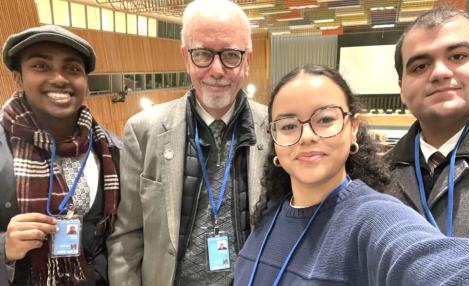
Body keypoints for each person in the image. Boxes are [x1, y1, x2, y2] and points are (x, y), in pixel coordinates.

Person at [233, 64, 469, 285]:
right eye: (289, 125)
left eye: (325, 119)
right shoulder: (271, 214)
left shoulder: (373, 218)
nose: (307, 136)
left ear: (353, 129)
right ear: (274, 140)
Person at [107, 0, 270, 285]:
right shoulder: (142, 131)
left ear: (247, 60)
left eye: (231, 55)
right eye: (203, 54)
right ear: (185, 57)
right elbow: (127, 237)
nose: (217, 69)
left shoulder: (275, 130)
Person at [0, 25, 121, 285]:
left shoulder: (112, 149)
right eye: (41, 66)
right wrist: (4, 248)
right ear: (18, 78)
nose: (59, 78)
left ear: (85, 83)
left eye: (72, 68)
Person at [387, 6, 469, 245]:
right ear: (402, 89)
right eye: (420, 67)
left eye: (458, 56)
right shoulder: (379, 173)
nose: (439, 73)